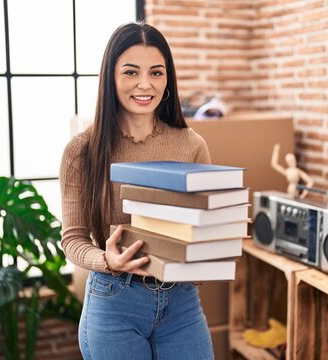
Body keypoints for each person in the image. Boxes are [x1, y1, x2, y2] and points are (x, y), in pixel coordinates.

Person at [59, 22, 214, 360]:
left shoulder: (192, 145)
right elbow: (72, 239)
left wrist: (207, 254)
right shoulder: (81, 150)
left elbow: (201, 225)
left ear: (167, 79)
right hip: (115, 302)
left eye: (156, 73)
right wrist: (106, 260)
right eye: (131, 72)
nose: (145, 84)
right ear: (111, 78)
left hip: (182, 303)